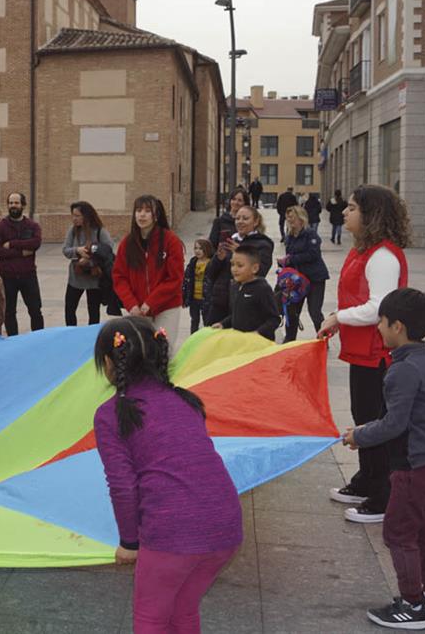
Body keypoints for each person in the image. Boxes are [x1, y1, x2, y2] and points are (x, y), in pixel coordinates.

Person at [93, 317, 242, 634]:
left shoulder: (112, 414)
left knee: (151, 617)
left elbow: (122, 485)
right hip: (226, 526)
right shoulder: (185, 399)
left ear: (108, 362)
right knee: (183, 611)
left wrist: (129, 542)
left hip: (172, 532)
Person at [343, 288, 425, 629]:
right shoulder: (424, 359)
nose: (378, 329)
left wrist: (359, 436)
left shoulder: (401, 371)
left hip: (413, 467)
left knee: (399, 534)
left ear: (398, 327)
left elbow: (394, 424)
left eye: (382, 323)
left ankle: (412, 605)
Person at [318, 185, 411, 524]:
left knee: (377, 423)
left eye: (353, 208)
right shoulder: (364, 251)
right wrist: (339, 322)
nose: (345, 212)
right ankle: (368, 480)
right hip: (362, 353)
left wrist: (338, 318)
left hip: (378, 355)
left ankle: (383, 497)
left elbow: (377, 308)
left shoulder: (383, 256)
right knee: (365, 417)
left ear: (371, 216)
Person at [112, 195, 185, 338]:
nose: (142, 215)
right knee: (142, 350)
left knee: (163, 348)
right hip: (138, 309)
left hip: (167, 306)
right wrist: (131, 304)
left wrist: (151, 302)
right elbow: (119, 277)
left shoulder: (171, 241)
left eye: (147, 211)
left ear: (156, 215)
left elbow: (175, 279)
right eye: (139, 210)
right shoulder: (127, 244)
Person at [0, 192, 43, 335]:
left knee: (35, 310)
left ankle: (39, 339)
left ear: (23, 205)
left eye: (16, 203)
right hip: (8, 277)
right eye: (11, 203)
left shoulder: (32, 226)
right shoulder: (1, 227)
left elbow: (36, 243)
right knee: (9, 311)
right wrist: (20, 252)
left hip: (29, 276)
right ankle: (13, 340)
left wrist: (12, 243)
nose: (13, 205)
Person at [278, 205, 330, 342]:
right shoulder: (289, 237)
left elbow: (313, 254)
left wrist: (291, 259)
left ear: (301, 219)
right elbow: (290, 256)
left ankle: (323, 338)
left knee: (315, 311)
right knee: (292, 310)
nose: (290, 221)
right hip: (297, 281)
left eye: (292, 219)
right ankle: (290, 339)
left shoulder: (310, 234)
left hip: (315, 278)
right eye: (288, 219)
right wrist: (284, 263)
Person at [62, 201, 114, 327]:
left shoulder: (99, 230)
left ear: (86, 215)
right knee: (69, 308)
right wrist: (77, 250)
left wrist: (91, 260)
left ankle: (91, 337)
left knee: (93, 311)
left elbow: (108, 249)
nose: (74, 219)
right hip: (76, 277)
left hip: (93, 277)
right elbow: (65, 250)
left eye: (77, 216)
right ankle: (71, 334)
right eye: (73, 215)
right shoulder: (73, 230)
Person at [214, 245, 280, 341]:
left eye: (240, 265)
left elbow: (274, 319)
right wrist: (223, 324)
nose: (234, 269)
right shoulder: (234, 286)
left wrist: (258, 333)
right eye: (232, 264)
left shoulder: (262, 289)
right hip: (240, 343)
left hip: (259, 345)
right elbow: (238, 313)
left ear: (255, 268)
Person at [205, 188, 248, 326]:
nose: (236, 202)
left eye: (240, 200)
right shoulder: (220, 221)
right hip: (221, 275)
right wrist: (219, 253)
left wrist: (239, 250)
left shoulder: (248, 225)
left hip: (240, 276)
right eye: (234, 199)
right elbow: (211, 245)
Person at [182, 239, 213, 334]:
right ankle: (193, 338)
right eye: (195, 248)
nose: (197, 251)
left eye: (201, 248)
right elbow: (186, 281)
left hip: (206, 298)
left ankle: (206, 339)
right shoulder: (193, 262)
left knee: (207, 321)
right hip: (194, 297)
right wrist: (184, 297)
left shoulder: (211, 263)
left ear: (207, 249)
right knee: (194, 320)